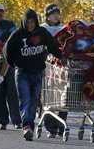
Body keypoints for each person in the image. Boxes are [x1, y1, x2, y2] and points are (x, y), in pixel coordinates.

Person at [4, 9, 63, 141]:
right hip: (22, 73)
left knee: (34, 102)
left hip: (37, 73)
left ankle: (30, 123)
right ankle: (28, 127)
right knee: (25, 100)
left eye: (32, 22)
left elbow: (52, 46)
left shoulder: (42, 33)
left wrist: (61, 57)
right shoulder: (17, 35)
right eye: (28, 22)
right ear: (24, 22)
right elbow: (7, 50)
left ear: (36, 22)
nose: (30, 25)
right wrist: (13, 63)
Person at [0, 3, 22, 130]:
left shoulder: (9, 25)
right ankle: (2, 120)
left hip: (8, 62)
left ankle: (17, 120)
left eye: (1, 12)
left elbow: (15, 36)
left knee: (12, 91)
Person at [40, 4, 68, 138]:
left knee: (65, 97)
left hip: (61, 68)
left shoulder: (64, 29)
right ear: (47, 16)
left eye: (57, 13)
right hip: (47, 66)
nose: (56, 16)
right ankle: (50, 127)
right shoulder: (42, 29)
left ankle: (61, 126)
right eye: (53, 13)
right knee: (49, 97)